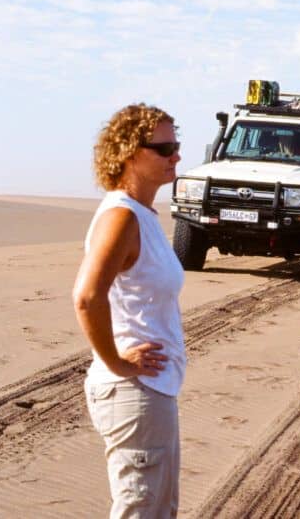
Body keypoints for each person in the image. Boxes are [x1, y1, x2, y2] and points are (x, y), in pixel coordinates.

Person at [72, 104, 185, 518]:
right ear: (129, 152)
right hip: (133, 392)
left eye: (177, 145)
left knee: (158, 509)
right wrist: (117, 362)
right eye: (165, 147)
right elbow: (87, 297)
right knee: (140, 509)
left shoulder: (143, 215)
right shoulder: (121, 217)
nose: (176, 155)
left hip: (154, 389)